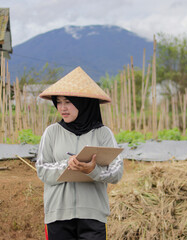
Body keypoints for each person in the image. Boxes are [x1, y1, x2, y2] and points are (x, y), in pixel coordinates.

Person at [36, 66, 124, 240]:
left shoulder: (103, 133)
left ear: (83, 103)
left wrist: (93, 170)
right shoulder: (52, 132)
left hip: (92, 217)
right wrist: (67, 165)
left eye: (68, 102)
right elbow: (42, 170)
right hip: (58, 215)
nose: (62, 108)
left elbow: (117, 172)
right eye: (59, 102)